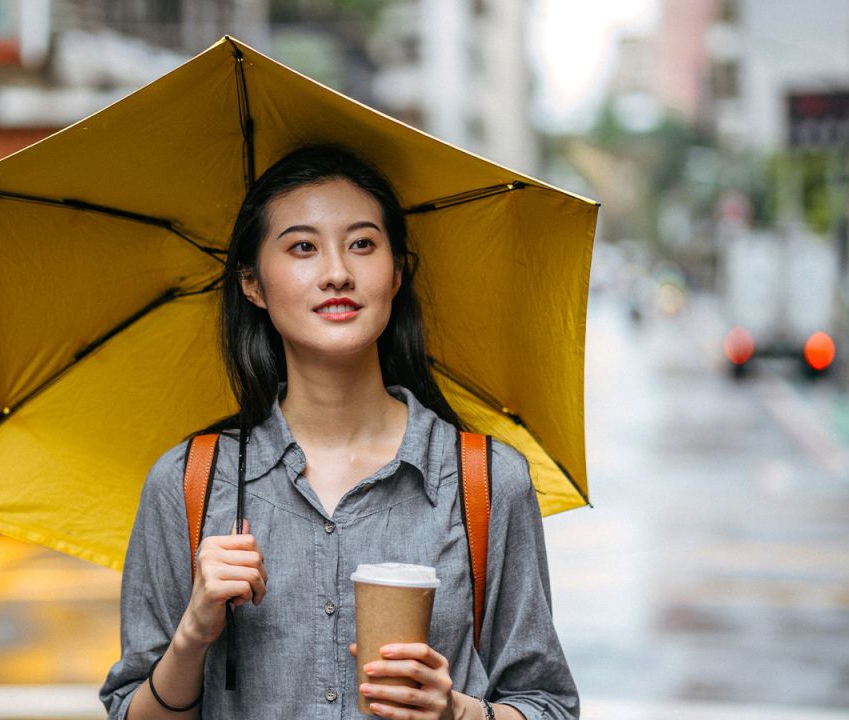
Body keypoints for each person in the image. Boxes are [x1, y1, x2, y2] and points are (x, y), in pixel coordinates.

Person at [100, 145, 578, 719]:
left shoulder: (486, 482)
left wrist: (456, 712)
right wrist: (193, 635)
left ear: (396, 273)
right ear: (252, 283)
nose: (336, 273)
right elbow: (129, 711)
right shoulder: (189, 482)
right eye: (302, 246)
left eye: (362, 244)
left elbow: (548, 705)